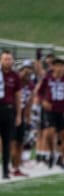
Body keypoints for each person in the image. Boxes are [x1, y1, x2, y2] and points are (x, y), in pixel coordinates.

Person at [11, 60, 35, 177]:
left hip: (21, 117)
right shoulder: (14, 82)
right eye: (25, 69)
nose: (28, 72)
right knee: (4, 143)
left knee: (19, 142)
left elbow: (28, 104)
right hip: (10, 114)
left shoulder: (30, 85)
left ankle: (16, 168)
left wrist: (28, 120)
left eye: (30, 69)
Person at [0, 51, 22, 179]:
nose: (8, 61)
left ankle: (5, 170)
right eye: (5, 59)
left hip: (8, 110)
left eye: (9, 59)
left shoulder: (15, 76)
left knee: (7, 141)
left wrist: (18, 114)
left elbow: (18, 96)